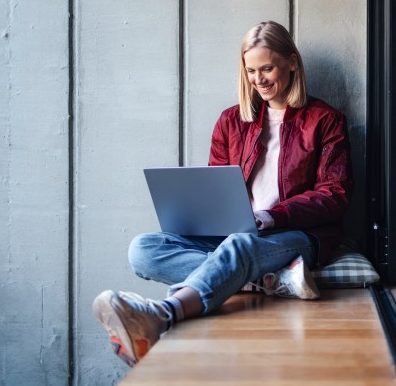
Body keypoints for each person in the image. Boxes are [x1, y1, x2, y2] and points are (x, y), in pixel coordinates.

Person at [93, 21, 354, 367]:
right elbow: (215, 187)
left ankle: (162, 314)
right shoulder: (231, 121)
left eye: (267, 68)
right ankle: (271, 281)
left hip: (297, 235)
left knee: (240, 246)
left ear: (292, 63)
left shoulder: (325, 120)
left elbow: (334, 193)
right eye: (251, 71)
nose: (258, 79)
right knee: (143, 249)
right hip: (235, 233)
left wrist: (272, 216)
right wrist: (205, 216)